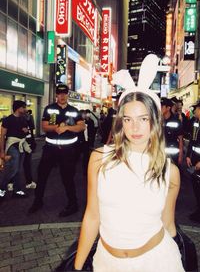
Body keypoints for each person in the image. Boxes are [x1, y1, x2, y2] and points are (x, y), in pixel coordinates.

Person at [74, 54, 184, 271]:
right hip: (105, 262)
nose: (135, 128)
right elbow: (92, 216)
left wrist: (182, 251)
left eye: (143, 119)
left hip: (159, 262)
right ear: (120, 122)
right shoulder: (99, 158)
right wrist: (77, 267)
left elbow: (168, 222)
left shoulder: (169, 172)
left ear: (154, 122)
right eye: (128, 119)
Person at [28, 84, 86, 217]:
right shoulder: (49, 109)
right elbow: (44, 127)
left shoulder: (74, 110)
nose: (62, 96)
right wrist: (55, 128)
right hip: (50, 149)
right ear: (56, 95)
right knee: (42, 176)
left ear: (67, 94)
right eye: (60, 93)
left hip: (68, 150)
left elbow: (81, 127)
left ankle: (73, 204)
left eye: (64, 93)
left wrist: (67, 128)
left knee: (68, 178)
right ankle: (38, 201)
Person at [0, 100, 30, 200]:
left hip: (21, 145)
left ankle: (17, 190)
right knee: (13, 169)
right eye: (23, 107)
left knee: (18, 169)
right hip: (12, 145)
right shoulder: (8, 119)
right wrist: (2, 152)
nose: (25, 109)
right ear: (18, 108)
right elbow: (2, 135)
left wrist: (26, 131)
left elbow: (26, 131)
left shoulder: (23, 119)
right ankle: (1, 189)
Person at [161, 98, 183, 167]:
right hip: (160, 155)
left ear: (168, 108)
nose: (159, 108)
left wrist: (180, 156)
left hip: (173, 156)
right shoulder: (158, 120)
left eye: (162, 106)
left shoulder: (176, 121)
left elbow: (181, 140)